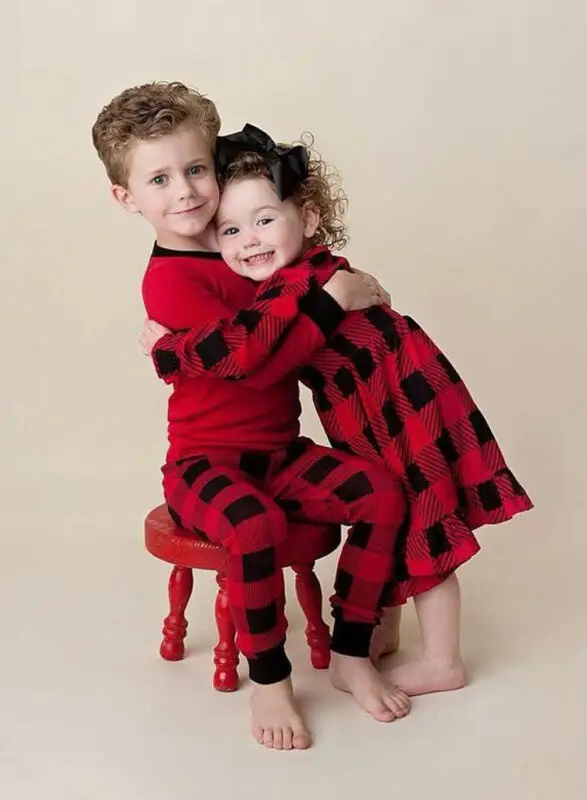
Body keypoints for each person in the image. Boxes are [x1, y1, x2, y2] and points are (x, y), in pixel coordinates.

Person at [141, 122, 534, 699]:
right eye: (231, 229)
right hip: (383, 410)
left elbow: (246, 353)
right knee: (402, 513)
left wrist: (169, 350)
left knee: (426, 525)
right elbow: (259, 344)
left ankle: (441, 660)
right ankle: (379, 634)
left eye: (264, 220)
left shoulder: (295, 286)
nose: (248, 240)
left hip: (403, 413)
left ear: (309, 219)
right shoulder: (304, 275)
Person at [92, 82, 412, 753]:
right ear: (127, 198)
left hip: (278, 452)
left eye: (196, 168)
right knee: (254, 523)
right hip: (202, 464)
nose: (185, 192)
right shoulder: (171, 279)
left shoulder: (243, 243)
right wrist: (331, 302)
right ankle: (270, 680)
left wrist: (342, 285)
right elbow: (254, 366)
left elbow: (300, 266)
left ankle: (352, 647)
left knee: (382, 494)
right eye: (159, 179)